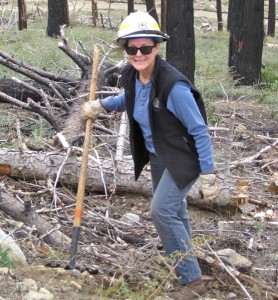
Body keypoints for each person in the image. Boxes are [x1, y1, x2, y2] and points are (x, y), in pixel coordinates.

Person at [83, 11, 220, 300]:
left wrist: (209, 173)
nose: (138, 53)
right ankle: (188, 263)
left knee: (161, 211)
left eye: (145, 47)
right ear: (125, 50)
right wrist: (102, 105)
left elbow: (199, 130)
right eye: (132, 48)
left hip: (184, 157)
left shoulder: (173, 86)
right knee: (176, 211)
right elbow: (129, 98)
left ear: (157, 47)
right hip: (159, 155)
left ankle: (192, 282)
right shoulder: (132, 75)